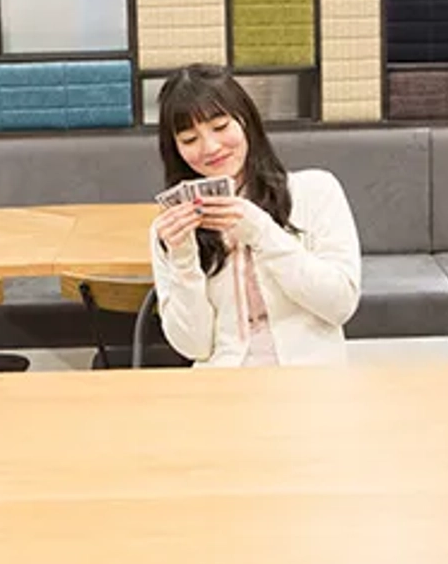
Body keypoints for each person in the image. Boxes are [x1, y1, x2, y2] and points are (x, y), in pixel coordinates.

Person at [150, 65, 361, 367]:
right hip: (225, 383)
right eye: (189, 139)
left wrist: (261, 231)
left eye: (221, 127)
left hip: (311, 379)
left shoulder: (316, 191)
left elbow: (339, 305)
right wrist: (183, 257)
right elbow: (193, 346)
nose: (210, 147)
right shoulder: (168, 229)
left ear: (246, 121)